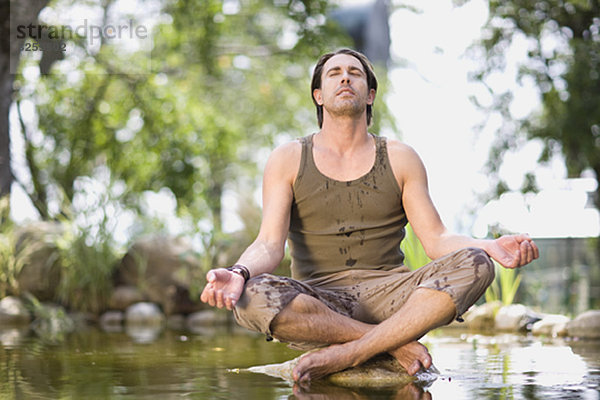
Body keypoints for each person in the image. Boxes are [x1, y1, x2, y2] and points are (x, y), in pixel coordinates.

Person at [200, 48, 539, 384]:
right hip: (318, 304)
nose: (345, 77)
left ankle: (348, 353)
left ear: (370, 94)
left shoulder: (401, 157)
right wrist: (238, 272)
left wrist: (489, 246)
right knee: (248, 297)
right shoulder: (287, 158)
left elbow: (437, 240)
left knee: (476, 263)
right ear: (318, 95)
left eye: (355, 73)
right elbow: (269, 244)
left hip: (393, 296)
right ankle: (392, 344)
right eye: (334, 73)